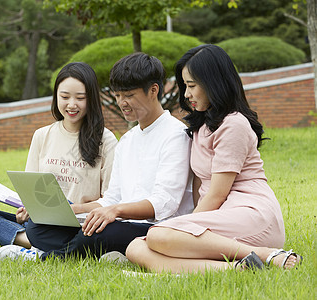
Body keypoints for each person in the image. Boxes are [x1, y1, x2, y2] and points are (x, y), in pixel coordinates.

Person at [0, 52, 194, 262]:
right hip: (119, 221)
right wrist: (72, 211)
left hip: (156, 227)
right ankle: (109, 254)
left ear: (153, 90)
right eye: (117, 96)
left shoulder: (175, 135)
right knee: (40, 226)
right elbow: (111, 198)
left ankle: (43, 257)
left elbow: (164, 203)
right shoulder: (127, 140)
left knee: (98, 234)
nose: (121, 102)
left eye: (129, 95)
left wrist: (114, 211)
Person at [125, 44, 303, 273]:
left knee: (159, 235)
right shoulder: (202, 126)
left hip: (251, 214)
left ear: (213, 83)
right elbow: (201, 189)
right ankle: (237, 268)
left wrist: (185, 227)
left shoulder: (234, 124)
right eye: (185, 86)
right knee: (135, 248)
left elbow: (217, 194)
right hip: (220, 216)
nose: (186, 94)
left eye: (191, 86)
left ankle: (265, 254)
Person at [0, 62, 118, 255]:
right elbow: (31, 191)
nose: (72, 105)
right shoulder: (42, 135)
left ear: (92, 100)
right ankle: (29, 243)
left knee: (75, 223)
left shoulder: (106, 140)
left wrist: (74, 209)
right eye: (64, 97)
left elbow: (111, 200)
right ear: (56, 97)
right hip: (42, 221)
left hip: (82, 222)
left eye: (80, 98)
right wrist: (26, 210)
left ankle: (18, 242)